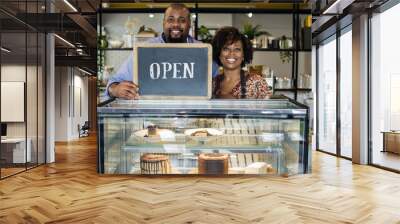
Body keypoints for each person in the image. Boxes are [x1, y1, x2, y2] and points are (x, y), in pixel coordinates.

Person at [106, 3, 218, 99]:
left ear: (189, 24)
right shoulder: (145, 50)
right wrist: (115, 89)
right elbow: (113, 83)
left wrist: (215, 86)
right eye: (171, 19)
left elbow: (218, 82)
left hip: (191, 118)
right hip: (153, 119)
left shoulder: (202, 50)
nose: (176, 24)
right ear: (163, 23)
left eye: (182, 20)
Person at [211, 27, 271, 99]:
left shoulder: (257, 82)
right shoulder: (212, 84)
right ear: (219, 54)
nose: (231, 53)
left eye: (237, 49)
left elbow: (267, 109)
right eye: (226, 48)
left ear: (243, 55)